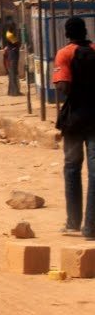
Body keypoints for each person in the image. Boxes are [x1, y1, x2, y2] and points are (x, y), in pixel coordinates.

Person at [53, 17, 95, 239]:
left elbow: (63, 87)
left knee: (72, 169)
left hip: (74, 120)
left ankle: (72, 223)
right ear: (85, 31)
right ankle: (91, 228)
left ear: (67, 34)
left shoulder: (65, 53)